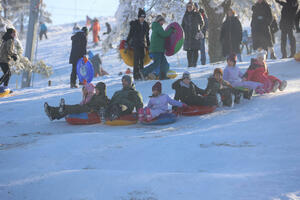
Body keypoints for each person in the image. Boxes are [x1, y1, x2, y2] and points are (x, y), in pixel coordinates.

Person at [44, 82, 109, 121]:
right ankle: (52, 112)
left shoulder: (104, 98)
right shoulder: (95, 96)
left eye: (97, 90)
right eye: (96, 89)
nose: (96, 91)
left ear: (101, 90)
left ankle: (57, 110)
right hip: (86, 107)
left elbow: (107, 105)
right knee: (73, 107)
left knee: (72, 108)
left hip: (89, 110)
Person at [141, 15, 174, 80]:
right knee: (156, 64)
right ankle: (143, 72)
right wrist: (171, 30)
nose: (163, 23)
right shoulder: (157, 27)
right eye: (162, 21)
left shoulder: (158, 27)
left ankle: (162, 76)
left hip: (160, 50)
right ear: (159, 21)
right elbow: (164, 34)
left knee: (165, 64)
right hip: (156, 50)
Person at [126, 8, 150, 80]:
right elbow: (130, 34)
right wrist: (127, 42)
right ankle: (136, 76)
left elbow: (147, 36)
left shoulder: (146, 25)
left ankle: (141, 74)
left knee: (142, 59)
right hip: (135, 44)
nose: (142, 18)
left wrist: (148, 45)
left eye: (143, 17)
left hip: (142, 44)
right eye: (141, 17)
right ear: (138, 17)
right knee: (136, 60)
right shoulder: (134, 24)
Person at [182, 2, 204, 67]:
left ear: (193, 7)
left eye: (190, 6)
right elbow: (182, 25)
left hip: (195, 35)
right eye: (188, 7)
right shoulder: (185, 15)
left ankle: (194, 64)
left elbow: (202, 23)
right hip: (187, 36)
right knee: (189, 51)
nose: (189, 8)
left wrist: (198, 30)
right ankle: (189, 64)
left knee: (195, 50)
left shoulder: (196, 14)